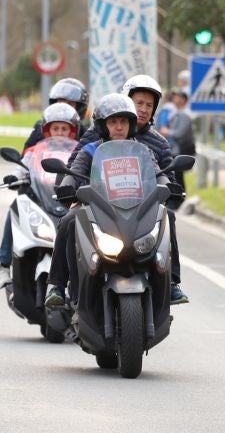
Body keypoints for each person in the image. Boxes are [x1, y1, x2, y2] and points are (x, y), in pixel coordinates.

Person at [54, 74, 188, 305]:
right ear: (104, 124)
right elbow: (73, 168)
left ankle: (170, 282)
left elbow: (164, 173)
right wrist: (69, 189)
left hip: (140, 208)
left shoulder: (148, 147)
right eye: (139, 104)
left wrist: (169, 187)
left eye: (149, 105)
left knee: (169, 216)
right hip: (98, 206)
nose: (118, 126)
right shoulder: (92, 144)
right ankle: (58, 286)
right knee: (68, 220)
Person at [0, 103, 80, 288]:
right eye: (55, 128)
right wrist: (15, 176)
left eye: (64, 128)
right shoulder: (36, 151)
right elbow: (23, 167)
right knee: (16, 206)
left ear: (72, 131)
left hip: (69, 203)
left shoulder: (78, 152)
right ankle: (3, 264)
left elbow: (83, 170)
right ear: (46, 130)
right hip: (43, 201)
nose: (59, 132)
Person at [21, 78, 90, 150]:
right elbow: (26, 155)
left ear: (80, 108)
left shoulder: (86, 135)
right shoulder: (41, 129)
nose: (64, 108)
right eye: (61, 102)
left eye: (70, 104)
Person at [165, 90, 195, 208]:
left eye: (177, 96)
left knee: (178, 176)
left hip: (180, 151)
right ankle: (178, 199)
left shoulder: (184, 115)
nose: (175, 99)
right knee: (177, 176)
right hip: (175, 150)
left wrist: (168, 132)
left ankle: (179, 200)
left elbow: (180, 133)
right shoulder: (177, 113)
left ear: (183, 99)